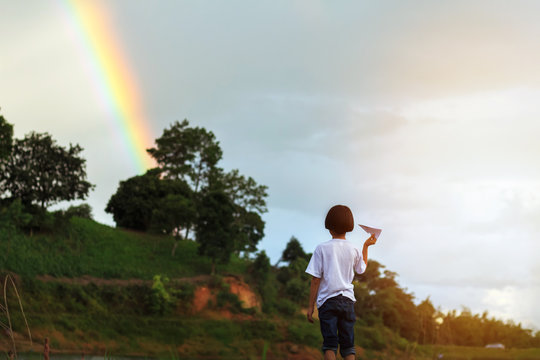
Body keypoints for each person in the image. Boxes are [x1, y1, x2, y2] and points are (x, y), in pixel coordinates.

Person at [305, 205, 377, 360]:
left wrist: (311, 306)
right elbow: (361, 269)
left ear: (329, 227)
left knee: (330, 345)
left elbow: (315, 279)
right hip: (347, 302)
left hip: (327, 302)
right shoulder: (354, 249)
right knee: (348, 347)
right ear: (348, 226)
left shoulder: (321, 248)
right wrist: (365, 247)